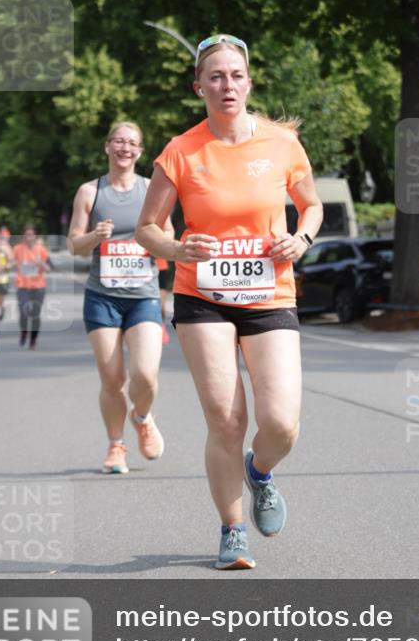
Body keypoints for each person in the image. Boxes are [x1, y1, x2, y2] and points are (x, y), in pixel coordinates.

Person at [137, 34, 323, 570]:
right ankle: (232, 529)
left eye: (235, 76)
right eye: (215, 77)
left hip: (269, 293)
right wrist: (176, 246)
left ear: (249, 82)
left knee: (282, 423)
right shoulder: (180, 151)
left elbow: (310, 208)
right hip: (203, 297)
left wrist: (302, 239)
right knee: (225, 419)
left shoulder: (281, 144)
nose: (227, 85)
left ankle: (260, 471)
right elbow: (146, 228)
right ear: (199, 87)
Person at [68, 121, 173, 475]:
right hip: (102, 297)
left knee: (145, 375)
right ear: (107, 147)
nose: (125, 148)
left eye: (132, 143)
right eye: (118, 141)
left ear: (140, 151)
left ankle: (142, 417)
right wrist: (96, 236)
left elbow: (169, 237)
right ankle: (116, 446)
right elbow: (74, 245)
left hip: (143, 296)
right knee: (112, 379)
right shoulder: (89, 192)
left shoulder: (150, 189)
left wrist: (151, 240)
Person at [12, 226, 53, 349]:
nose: (28, 237)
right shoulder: (17, 249)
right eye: (26, 235)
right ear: (23, 237)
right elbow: (9, 264)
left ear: (35, 236)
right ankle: (24, 332)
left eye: (31, 234)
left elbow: (50, 269)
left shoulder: (42, 250)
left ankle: (33, 340)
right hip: (22, 286)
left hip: (38, 287)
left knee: (35, 314)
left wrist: (41, 263)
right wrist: (12, 264)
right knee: (24, 313)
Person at [0, 225, 14, 329]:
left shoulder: (6, 248)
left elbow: (11, 263)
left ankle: (1, 309)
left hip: (2, 279)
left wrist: (4, 267)